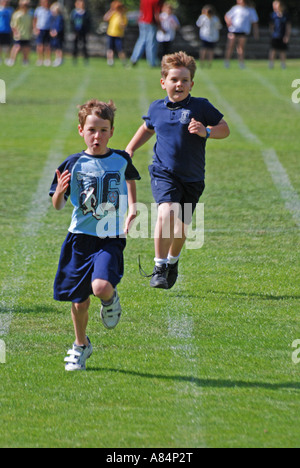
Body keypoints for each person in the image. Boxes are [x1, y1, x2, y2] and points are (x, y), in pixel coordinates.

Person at [49, 99, 140, 371]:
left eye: (103, 129)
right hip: (79, 238)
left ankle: (110, 300)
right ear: (81, 130)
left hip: (110, 236)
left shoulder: (120, 159)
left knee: (100, 287)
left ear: (112, 131)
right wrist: (60, 192)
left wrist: (133, 207)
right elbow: (58, 205)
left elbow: (130, 177)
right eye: (91, 129)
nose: (97, 135)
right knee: (79, 301)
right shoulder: (73, 163)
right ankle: (81, 345)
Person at [126, 51, 230, 289]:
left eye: (184, 80)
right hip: (164, 173)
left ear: (192, 83)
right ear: (163, 83)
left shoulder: (201, 107)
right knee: (166, 212)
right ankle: (159, 266)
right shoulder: (156, 108)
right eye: (174, 80)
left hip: (193, 178)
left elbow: (225, 128)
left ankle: (173, 262)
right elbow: (147, 128)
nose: (179, 84)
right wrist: (130, 148)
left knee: (181, 227)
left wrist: (207, 131)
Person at [224, 0, 259, 69]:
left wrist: (256, 33)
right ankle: (227, 61)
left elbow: (255, 22)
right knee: (230, 46)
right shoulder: (235, 8)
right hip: (234, 30)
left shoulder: (250, 10)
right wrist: (229, 23)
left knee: (241, 48)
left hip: (243, 31)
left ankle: (241, 62)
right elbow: (227, 16)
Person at [130, 0, 163, 67]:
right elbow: (156, 14)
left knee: (141, 40)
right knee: (151, 43)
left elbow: (141, 10)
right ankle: (152, 62)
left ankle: (134, 58)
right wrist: (160, 26)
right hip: (151, 22)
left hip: (142, 21)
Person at [103, 1, 128, 67]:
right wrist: (111, 10)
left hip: (118, 35)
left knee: (120, 49)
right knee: (110, 49)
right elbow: (105, 18)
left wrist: (120, 15)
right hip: (111, 33)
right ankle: (110, 62)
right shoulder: (113, 14)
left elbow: (123, 25)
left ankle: (124, 62)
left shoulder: (123, 16)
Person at [8, 0, 32, 66]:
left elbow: (30, 25)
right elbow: (13, 25)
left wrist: (31, 31)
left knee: (26, 48)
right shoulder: (17, 14)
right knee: (17, 47)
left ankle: (25, 60)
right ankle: (12, 59)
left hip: (26, 34)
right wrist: (16, 33)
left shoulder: (29, 14)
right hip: (19, 35)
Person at [269, 1, 291, 69]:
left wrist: (287, 36)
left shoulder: (286, 15)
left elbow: (288, 26)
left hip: (283, 35)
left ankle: (283, 64)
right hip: (275, 35)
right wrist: (272, 33)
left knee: (282, 50)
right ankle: (271, 64)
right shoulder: (273, 15)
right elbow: (271, 26)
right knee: (273, 50)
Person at [70, 0, 91, 64]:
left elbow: (88, 22)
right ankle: (74, 59)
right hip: (76, 31)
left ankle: (86, 59)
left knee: (84, 46)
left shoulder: (86, 13)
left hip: (83, 31)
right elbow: (72, 22)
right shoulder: (74, 12)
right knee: (75, 45)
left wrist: (87, 30)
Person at [33, 0, 52, 66]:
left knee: (47, 45)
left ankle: (47, 59)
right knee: (39, 45)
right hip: (40, 29)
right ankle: (40, 59)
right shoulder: (38, 10)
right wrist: (35, 28)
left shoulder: (50, 11)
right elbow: (35, 19)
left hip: (47, 29)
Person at [0, 0, 13, 65]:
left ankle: (7, 58)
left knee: (7, 45)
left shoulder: (9, 10)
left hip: (7, 30)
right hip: (0, 30)